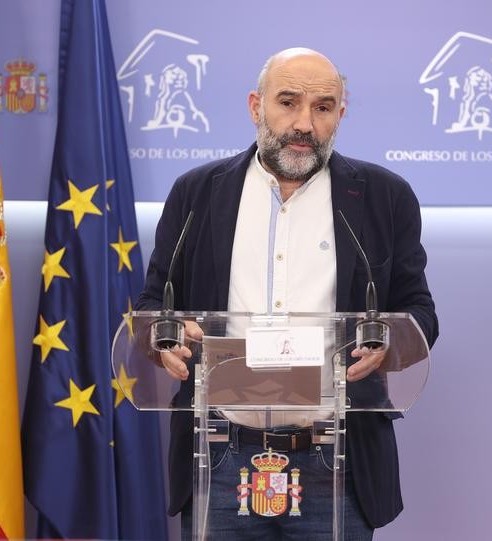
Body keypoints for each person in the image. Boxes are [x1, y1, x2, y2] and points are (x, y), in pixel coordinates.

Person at [136, 47, 439, 540]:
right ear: (256, 106)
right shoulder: (196, 192)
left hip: (336, 455)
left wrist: (387, 341)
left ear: (340, 115)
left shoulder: (385, 196)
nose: (305, 123)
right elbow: (154, 307)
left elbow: (420, 313)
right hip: (220, 452)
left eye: (322, 108)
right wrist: (165, 336)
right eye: (288, 102)